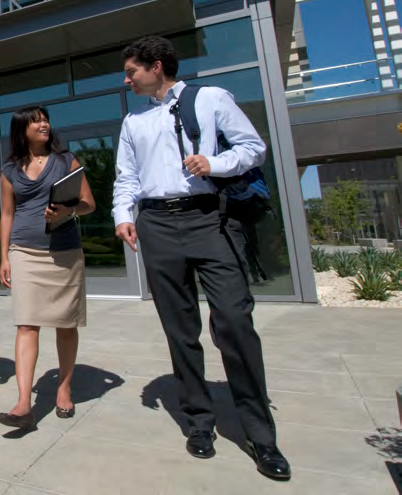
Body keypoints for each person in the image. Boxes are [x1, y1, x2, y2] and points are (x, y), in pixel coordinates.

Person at [112, 35, 290, 481]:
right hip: (156, 224)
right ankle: (199, 422)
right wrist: (122, 216)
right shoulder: (134, 121)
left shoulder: (209, 98)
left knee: (234, 320)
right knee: (180, 329)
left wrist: (215, 164)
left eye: (132, 70)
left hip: (210, 219)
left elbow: (253, 148)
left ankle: (261, 436)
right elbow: (125, 177)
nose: (127, 78)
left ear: (156, 65)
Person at [0, 107, 95, 431]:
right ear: (21, 129)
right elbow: (7, 215)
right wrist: (5, 257)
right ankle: (24, 403)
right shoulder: (9, 170)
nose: (44, 124)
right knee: (27, 324)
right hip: (24, 251)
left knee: (66, 325)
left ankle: (64, 388)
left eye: (45, 118)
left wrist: (66, 210)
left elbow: (88, 204)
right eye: (36, 120)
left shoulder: (68, 161)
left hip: (64, 253)